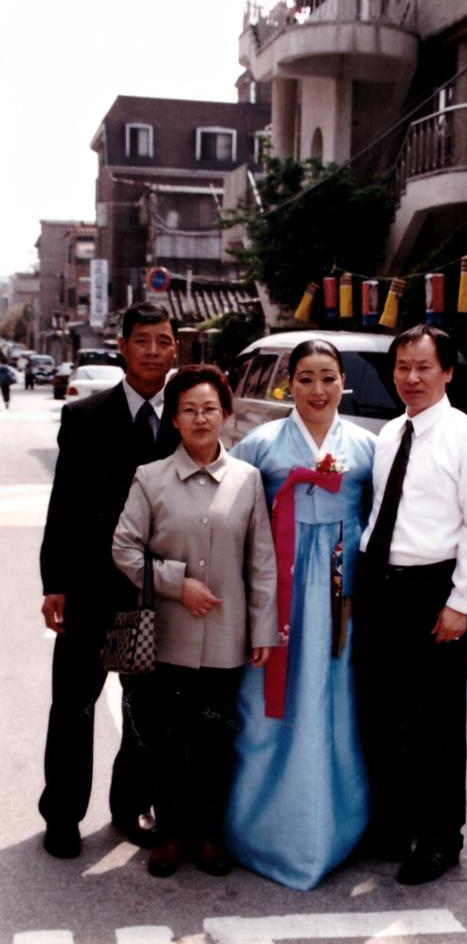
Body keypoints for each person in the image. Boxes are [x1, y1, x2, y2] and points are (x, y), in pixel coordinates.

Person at [112, 364, 277, 878]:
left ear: (226, 415)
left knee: (214, 743)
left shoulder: (248, 481)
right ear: (175, 420)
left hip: (226, 640)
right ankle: (168, 835)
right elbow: (124, 547)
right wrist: (176, 583)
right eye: (189, 409)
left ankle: (206, 836)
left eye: (210, 408)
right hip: (166, 638)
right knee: (164, 743)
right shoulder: (151, 478)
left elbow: (262, 561)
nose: (201, 418)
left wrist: (263, 629)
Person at [223, 339, 376, 890]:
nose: (318, 390)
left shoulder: (367, 445)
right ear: (290, 384)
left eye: (328, 378)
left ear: (343, 383)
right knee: (268, 697)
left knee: (335, 699)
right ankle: (260, 826)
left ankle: (340, 826)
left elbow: (379, 522)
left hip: (341, 586)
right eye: (306, 378)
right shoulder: (259, 444)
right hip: (278, 584)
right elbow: (234, 516)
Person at [354, 324, 467, 886]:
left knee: (436, 723)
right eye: (401, 367)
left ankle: (442, 839)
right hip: (381, 584)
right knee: (383, 712)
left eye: (422, 367)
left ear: (448, 373)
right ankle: (393, 826)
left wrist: (461, 601)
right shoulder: (390, 434)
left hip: (432, 590)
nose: (410, 378)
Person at [38, 302, 179, 859]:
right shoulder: (86, 416)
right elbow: (64, 505)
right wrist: (55, 583)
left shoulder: (186, 416)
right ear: (122, 347)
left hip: (153, 590)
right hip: (92, 587)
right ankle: (63, 815)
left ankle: (129, 809)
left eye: (162, 341)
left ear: (175, 349)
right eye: (142, 340)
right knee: (73, 705)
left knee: (145, 708)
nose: (152, 351)